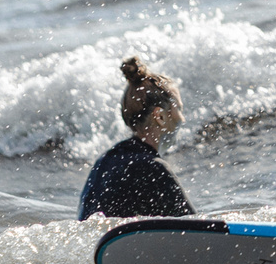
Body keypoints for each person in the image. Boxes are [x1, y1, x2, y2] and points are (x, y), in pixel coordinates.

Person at [79, 55, 196, 220]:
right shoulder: (154, 169)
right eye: (179, 109)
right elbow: (197, 231)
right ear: (160, 116)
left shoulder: (104, 162)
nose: (182, 118)